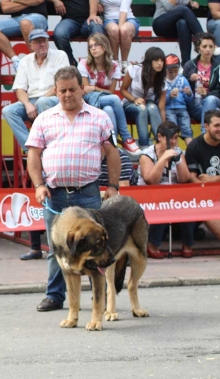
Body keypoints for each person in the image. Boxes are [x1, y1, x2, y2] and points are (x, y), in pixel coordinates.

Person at [26, 66, 121, 312]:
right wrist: (38, 185)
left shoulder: (100, 117)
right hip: (54, 194)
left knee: (95, 247)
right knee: (56, 249)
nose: (68, 94)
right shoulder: (44, 119)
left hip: (88, 194)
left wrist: (112, 186)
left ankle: (98, 299)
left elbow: (112, 153)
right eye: (62, 90)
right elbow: (33, 155)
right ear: (56, 92)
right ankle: (55, 296)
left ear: (82, 89)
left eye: (73, 89)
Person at [2, 29, 68, 151]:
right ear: (31, 45)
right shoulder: (25, 61)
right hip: (32, 101)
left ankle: (50, 147)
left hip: (54, 99)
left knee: (43, 101)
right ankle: (31, 148)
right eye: (38, 42)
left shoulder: (60, 55)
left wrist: (41, 100)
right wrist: (27, 104)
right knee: (8, 111)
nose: (42, 44)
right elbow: (19, 89)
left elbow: (61, 84)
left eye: (44, 41)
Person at [137, 121, 194, 258]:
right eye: (170, 138)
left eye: (176, 138)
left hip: (173, 195)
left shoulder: (179, 152)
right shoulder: (147, 155)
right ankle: (153, 243)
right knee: (163, 203)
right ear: (160, 137)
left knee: (190, 205)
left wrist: (178, 160)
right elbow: (151, 180)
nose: (173, 142)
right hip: (149, 196)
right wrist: (163, 159)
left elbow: (184, 179)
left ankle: (188, 244)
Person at [78, 32, 140, 154]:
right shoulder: (84, 63)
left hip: (105, 99)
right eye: (90, 46)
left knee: (109, 110)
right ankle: (127, 137)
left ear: (105, 46)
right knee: (115, 99)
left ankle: (113, 146)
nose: (93, 48)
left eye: (96, 45)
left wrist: (94, 88)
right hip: (89, 100)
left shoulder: (114, 66)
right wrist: (95, 89)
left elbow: (110, 92)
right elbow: (85, 90)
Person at [0, 0, 49, 72]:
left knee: (25, 23)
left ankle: (37, 62)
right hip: (17, 19)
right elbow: (5, 7)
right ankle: (16, 61)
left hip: (38, 18)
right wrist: (31, 1)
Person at [120, 47, 167, 150]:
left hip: (148, 104)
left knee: (153, 108)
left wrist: (165, 128)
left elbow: (161, 108)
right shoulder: (134, 69)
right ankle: (144, 147)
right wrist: (134, 99)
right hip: (129, 103)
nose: (160, 63)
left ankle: (162, 144)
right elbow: (123, 90)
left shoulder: (162, 79)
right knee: (142, 108)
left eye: (162, 60)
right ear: (149, 61)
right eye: (156, 60)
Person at [186, 109, 220, 240]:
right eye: (217, 125)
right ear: (206, 126)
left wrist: (215, 179)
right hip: (205, 196)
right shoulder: (194, 147)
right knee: (206, 209)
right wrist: (204, 185)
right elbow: (191, 178)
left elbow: (212, 180)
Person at [47, 0, 105, 67]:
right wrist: (53, 0)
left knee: (97, 28)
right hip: (69, 20)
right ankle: (71, 64)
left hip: (88, 19)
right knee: (59, 34)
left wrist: (93, 15)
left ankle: (97, 66)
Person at [151, 0, 204, 66]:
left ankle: (186, 64)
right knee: (183, 10)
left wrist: (192, 3)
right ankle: (204, 39)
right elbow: (169, 7)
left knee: (183, 23)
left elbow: (185, 1)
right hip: (161, 24)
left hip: (176, 26)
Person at [183, 33, 220, 129]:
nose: (208, 49)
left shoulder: (219, 66)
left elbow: (219, 91)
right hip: (195, 103)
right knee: (216, 112)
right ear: (198, 48)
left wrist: (206, 94)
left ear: (214, 48)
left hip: (213, 100)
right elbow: (182, 87)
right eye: (204, 46)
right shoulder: (190, 65)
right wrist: (190, 80)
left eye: (211, 46)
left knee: (210, 100)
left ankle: (204, 133)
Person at [98, 0, 140, 73]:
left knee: (124, 30)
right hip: (109, 19)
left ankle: (124, 64)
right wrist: (97, 2)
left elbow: (124, 10)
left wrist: (120, 32)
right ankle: (115, 63)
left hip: (128, 18)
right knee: (114, 30)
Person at [164, 53, 194, 145]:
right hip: (168, 109)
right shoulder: (161, 81)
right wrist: (169, 96)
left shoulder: (182, 79)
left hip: (182, 108)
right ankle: (175, 152)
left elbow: (190, 100)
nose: (173, 73)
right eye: (170, 71)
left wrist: (189, 93)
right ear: (165, 70)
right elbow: (158, 100)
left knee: (187, 129)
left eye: (176, 71)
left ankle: (191, 152)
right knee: (173, 130)